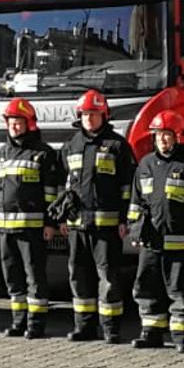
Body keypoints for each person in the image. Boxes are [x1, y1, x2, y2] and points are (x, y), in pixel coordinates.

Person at [54, 90, 136, 343]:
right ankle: (84, 327)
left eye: (95, 114)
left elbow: (128, 186)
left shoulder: (118, 146)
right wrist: (60, 218)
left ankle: (111, 328)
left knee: (108, 277)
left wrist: (125, 219)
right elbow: (62, 186)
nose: (90, 119)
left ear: (104, 115)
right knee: (79, 276)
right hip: (77, 227)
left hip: (107, 227)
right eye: (86, 114)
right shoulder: (71, 146)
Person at [129, 111, 184, 353]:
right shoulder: (145, 165)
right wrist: (135, 231)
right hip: (151, 243)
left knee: (180, 288)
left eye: (167, 135)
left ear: (178, 137)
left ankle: (183, 334)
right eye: (158, 135)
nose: (162, 140)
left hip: (181, 244)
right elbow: (136, 203)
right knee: (147, 287)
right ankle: (151, 331)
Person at [0, 97, 67, 339]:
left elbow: (51, 193)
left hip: (33, 227)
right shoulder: (2, 153)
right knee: (12, 276)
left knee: (34, 276)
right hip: (6, 228)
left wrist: (50, 223)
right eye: (11, 121)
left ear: (30, 124)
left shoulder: (44, 154)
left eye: (19, 121)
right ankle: (18, 322)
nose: (14, 126)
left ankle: (36, 324)